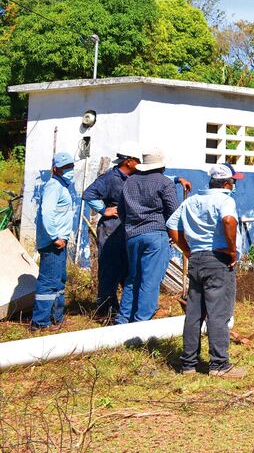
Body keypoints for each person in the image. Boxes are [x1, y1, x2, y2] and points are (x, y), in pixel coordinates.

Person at [167, 164, 244, 377]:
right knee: (218, 313)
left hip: (197, 259)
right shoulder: (226, 200)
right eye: (234, 181)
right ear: (227, 183)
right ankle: (219, 365)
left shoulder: (191, 201)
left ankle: (188, 364)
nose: (235, 185)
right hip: (218, 259)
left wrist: (186, 250)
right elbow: (228, 220)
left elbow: (172, 225)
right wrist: (231, 251)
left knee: (194, 313)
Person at [115, 147, 181, 324]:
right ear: (161, 166)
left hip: (132, 235)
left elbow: (121, 210)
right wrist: (174, 234)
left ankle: (123, 319)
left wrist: (130, 226)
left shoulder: (129, 181)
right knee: (150, 279)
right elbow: (174, 211)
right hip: (155, 234)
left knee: (132, 278)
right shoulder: (164, 182)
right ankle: (142, 321)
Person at [81, 141, 140, 321]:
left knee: (125, 268)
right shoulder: (110, 178)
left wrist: (177, 180)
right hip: (110, 229)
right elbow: (88, 194)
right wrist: (104, 210)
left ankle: (123, 308)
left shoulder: (133, 177)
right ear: (128, 161)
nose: (139, 163)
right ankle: (105, 310)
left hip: (125, 229)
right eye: (137, 160)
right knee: (109, 269)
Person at [31, 152, 77, 332]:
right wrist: (55, 237)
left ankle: (56, 317)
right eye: (66, 168)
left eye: (71, 167)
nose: (70, 170)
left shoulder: (63, 185)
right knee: (49, 281)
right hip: (53, 243)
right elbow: (46, 213)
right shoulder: (53, 186)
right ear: (56, 169)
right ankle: (40, 322)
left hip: (59, 242)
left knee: (58, 281)